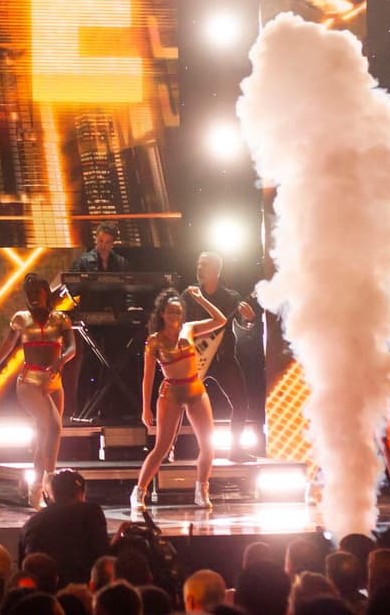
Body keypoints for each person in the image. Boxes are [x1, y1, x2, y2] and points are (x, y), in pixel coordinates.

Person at [0, 274, 78, 508]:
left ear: (46, 292)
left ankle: (35, 490)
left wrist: (61, 360)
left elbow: (72, 347)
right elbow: (7, 345)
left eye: (37, 292)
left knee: (45, 436)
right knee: (54, 427)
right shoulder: (21, 319)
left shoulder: (60, 319)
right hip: (29, 382)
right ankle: (50, 483)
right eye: (29, 294)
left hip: (54, 383)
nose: (33, 297)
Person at [131, 286, 226, 511]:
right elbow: (147, 377)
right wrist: (146, 408)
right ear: (162, 314)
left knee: (208, 444)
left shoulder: (190, 330)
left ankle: (201, 490)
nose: (175, 316)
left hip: (194, 389)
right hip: (171, 393)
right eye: (171, 312)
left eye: (178, 312)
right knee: (162, 447)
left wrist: (200, 299)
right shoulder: (154, 340)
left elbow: (220, 319)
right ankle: (139, 492)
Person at [188, 252, 258, 463]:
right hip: (195, 357)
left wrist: (249, 319)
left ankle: (235, 449)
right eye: (198, 264)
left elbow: (243, 323)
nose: (200, 268)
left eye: (205, 265)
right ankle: (169, 448)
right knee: (180, 402)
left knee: (241, 402)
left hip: (224, 358)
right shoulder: (190, 294)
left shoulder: (231, 297)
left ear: (217, 271)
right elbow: (180, 325)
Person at [18, 469, 109, 589]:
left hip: (43, 592)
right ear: (81, 494)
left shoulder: (31, 523)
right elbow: (101, 552)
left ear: (52, 495)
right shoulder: (91, 512)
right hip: (82, 588)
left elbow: (22, 566)